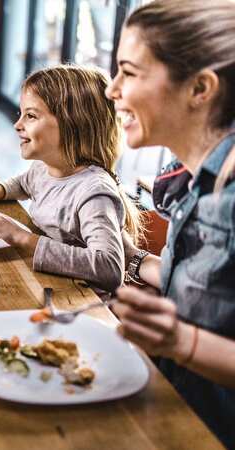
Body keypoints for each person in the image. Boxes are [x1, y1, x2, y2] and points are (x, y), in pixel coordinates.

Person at [104, 1, 235, 446]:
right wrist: (135, 261)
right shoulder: (196, 180)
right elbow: (210, 290)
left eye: (130, 72)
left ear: (200, 88)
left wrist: (182, 342)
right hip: (172, 411)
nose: (112, 89)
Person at [0, 65, 142, 292]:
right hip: (43, 282)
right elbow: (23, 183)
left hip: (78, 301)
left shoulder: (93, 192)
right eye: (21, 114)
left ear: (73, 124)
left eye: (31, 116)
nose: (17, 125)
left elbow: (109, 268)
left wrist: (23, 239)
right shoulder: (44, 168)